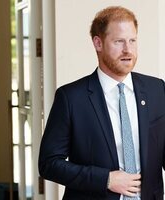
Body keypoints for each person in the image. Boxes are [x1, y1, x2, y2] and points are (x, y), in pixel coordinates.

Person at [38, 6, 165, 200]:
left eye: (132, 40)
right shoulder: (70, 97)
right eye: (119, 41)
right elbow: (49, 163)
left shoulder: (157, 89)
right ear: (98, 43)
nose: (128, 49)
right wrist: (105, 179)